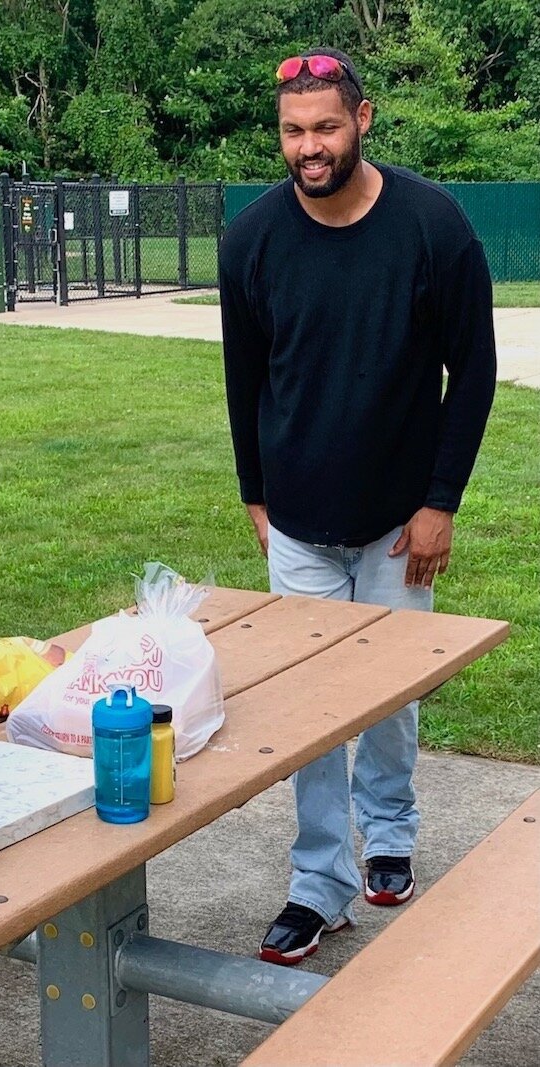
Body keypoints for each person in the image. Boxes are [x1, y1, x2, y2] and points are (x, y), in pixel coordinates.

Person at [218, 47, 497, 966]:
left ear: (363, 119)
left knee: (387, 700)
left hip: (396, 522)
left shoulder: (432, 226)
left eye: (326, 127)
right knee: (306, 711)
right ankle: (318, 882)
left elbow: (476, 371)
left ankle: (389, 837)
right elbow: (244, 377)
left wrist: (439, 503)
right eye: (294, 131)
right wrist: (255, 492)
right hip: (298, 520)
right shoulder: (251, 240)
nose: (310, 147)